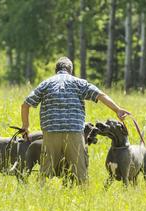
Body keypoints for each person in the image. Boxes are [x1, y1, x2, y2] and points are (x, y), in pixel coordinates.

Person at [21, 57, 130, 185]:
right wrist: (117, 109)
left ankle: (41, 194)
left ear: (56, 70)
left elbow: (25, 104)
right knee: (80, 172)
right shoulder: (79, 83)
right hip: (74, 133)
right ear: (70, 70)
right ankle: (84, 197)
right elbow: (100, 95)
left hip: (51, 133)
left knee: (46, 170)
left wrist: (25, 126)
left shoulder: (46, 84)